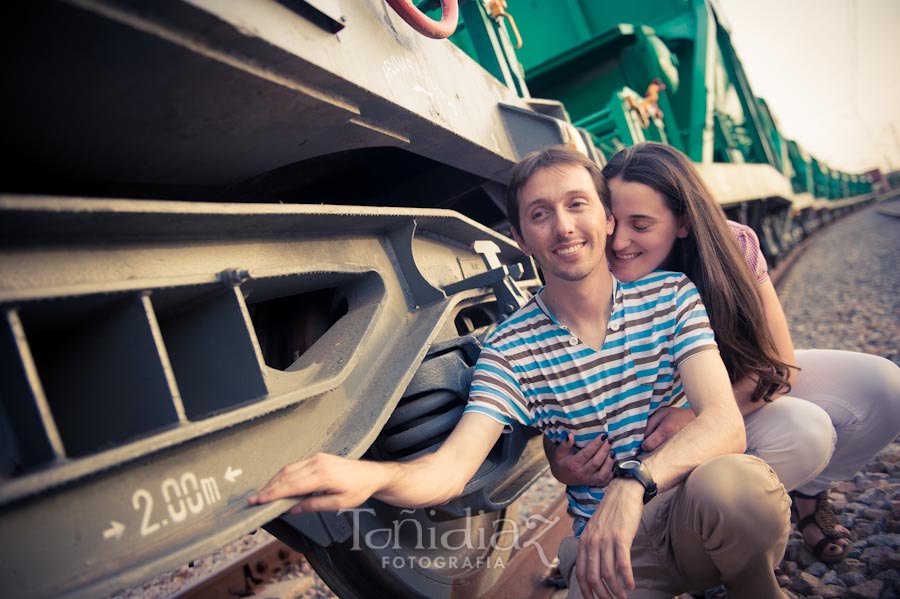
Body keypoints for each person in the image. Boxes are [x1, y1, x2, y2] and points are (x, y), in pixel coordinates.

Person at [250, 145, 791, 599]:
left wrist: (631, 485)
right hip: (609, 559)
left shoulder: (671, 296)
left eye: (577, 204)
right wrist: (372, 476)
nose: (563, 227)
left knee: (736, 486)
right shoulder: (510, 349)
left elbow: (724, 423)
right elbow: (450, 470)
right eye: (540, 214)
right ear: (522, 237)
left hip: (680, 508)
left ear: (606, 218)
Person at [545, 141, 900, 565]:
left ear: (683, 223)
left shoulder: (731, 246)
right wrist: (562, 461)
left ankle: (805, 494)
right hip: (647, 440)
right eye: (613, 222)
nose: (619, 242)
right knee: (803, 429)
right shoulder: (589, 268)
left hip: (720, 400)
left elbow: (779, 366)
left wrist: (697, 418)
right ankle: (688, 538)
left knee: (882, 387)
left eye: (641, 225)